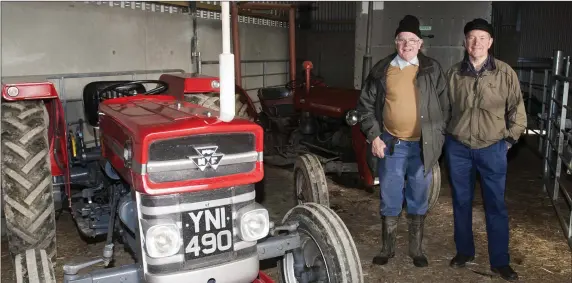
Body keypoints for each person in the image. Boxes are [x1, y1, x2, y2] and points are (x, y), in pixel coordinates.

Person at [356, 15, 449, 268]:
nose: (406, 45)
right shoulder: (382, 70)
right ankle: (387, 248)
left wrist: (437, 139)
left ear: (420, 43)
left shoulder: (432, 70)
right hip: (392, 144)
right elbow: (365, 106)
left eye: (411, 40)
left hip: (422, 146)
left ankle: (416, 249)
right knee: (390, 194)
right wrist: (374, 136)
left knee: (419, 194)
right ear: (395, 42)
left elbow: (444, 109)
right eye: (401, 40)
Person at [443, 18, 526, 281]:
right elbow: (444, 110)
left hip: (492, 148)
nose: (476, 42)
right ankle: (464, 251)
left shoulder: (505, 73)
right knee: (461, 201)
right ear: (465, 42)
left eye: (481, 37)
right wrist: (447, 139)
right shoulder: (454, 73)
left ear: (490, 42)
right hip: (459, 148)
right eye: (471, 37)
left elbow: (518, 112)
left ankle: (500, 260)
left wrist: (508, 142)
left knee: (496, 205)